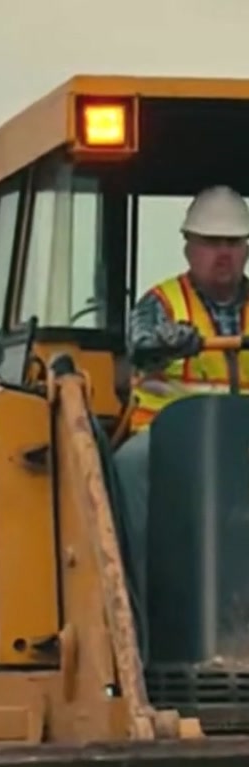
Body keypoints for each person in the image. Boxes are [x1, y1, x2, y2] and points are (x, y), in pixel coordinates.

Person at [114, 185, 249, 622]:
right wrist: (165, 344)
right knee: (128, 468)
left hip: (242, 442)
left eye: (232, 243)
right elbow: (139, 343)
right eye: (211, 243)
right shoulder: (161, 305)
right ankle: (137, 598)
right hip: (169, 440)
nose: (222, 253)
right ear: (189, 247)